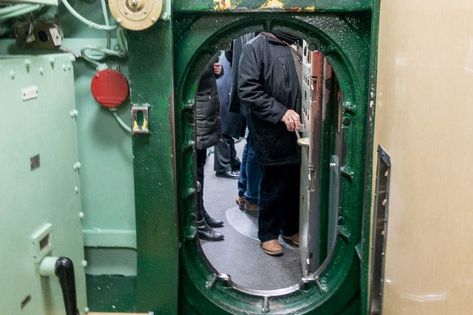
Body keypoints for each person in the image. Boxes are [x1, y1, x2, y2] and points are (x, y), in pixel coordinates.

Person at [238, 31, 302, 255]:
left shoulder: (295, 43)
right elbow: (248, 90)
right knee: (274, 183)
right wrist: (281, 112)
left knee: (294, 181)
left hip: (296, 129)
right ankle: (268, 234)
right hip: (270, 129)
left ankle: (290, 228)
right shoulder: (256, 47)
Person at [229, 33, 262, 213]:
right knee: (255, 146)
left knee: (250, 143)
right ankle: (252, 197)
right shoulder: (258, 30)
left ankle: (243, 192)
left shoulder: (242, 29)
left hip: (243, 87)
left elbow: (229, 54)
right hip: (253, 91)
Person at [195, 55, 225, 241]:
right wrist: (209, 67)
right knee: (195, 172)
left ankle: (200, 212)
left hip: (204, 113)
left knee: (199, 168)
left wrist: (217, 71)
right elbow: (191, 73)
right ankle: (197, 222)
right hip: (197, 115)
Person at [213, 50, 244, 179]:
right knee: (224, 125)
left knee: (227, 123)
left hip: (226, 71)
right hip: (224, 74)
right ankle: (222, 166)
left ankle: (232, 160)